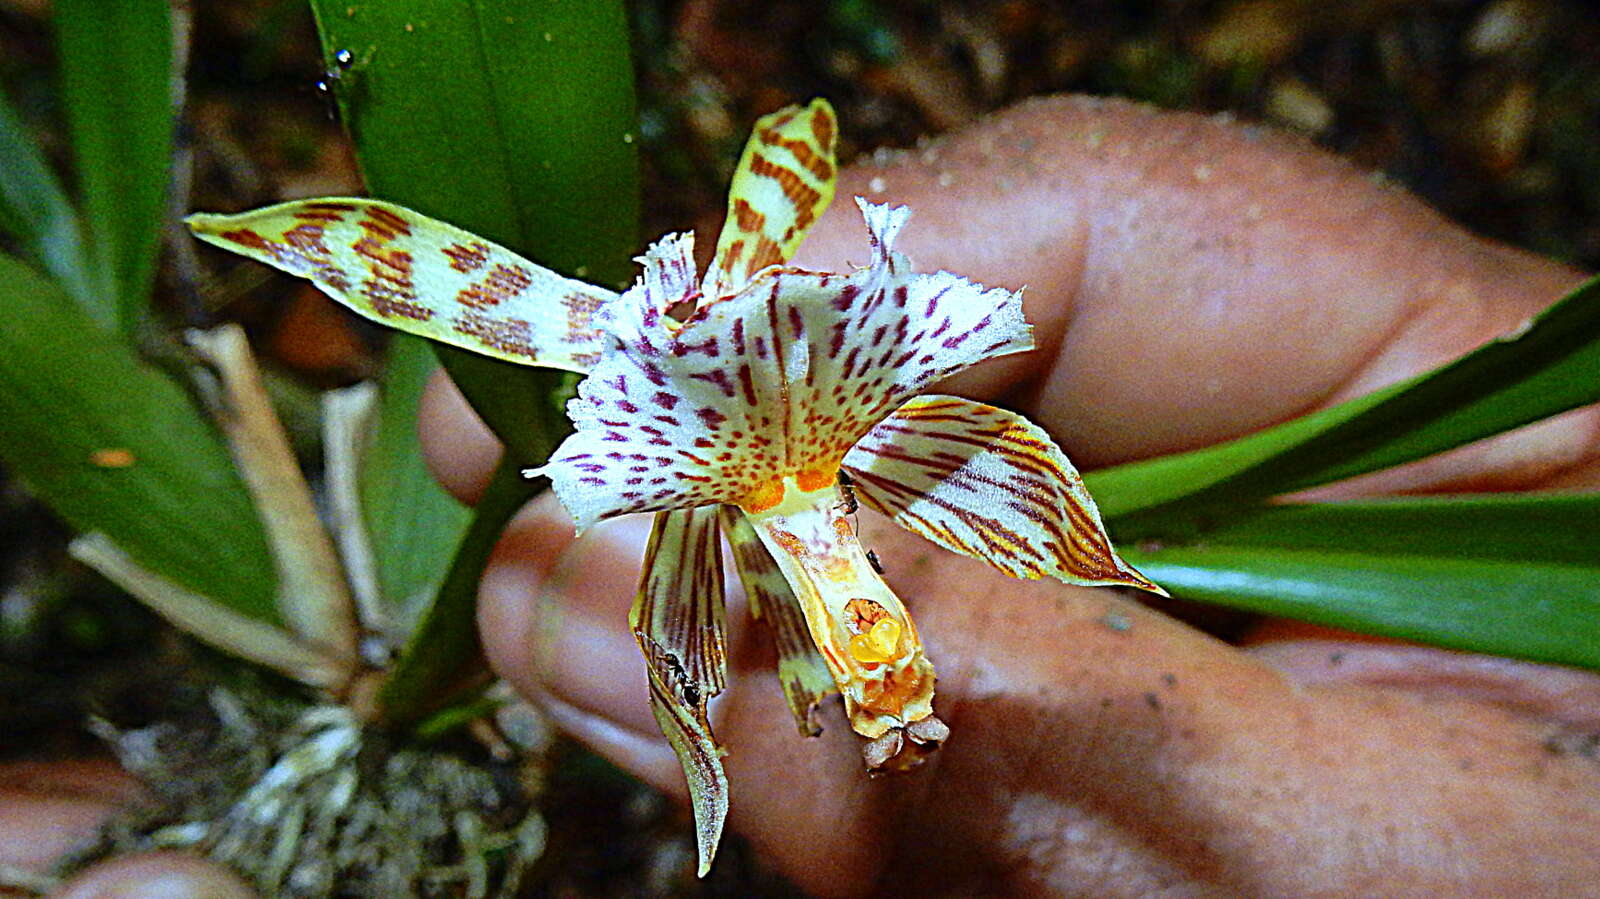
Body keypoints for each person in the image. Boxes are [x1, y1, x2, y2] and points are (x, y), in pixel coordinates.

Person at [7, 95, 1598, 897]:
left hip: (791, 463)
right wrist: (721, 732)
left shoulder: (860, 476)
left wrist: (725, 740)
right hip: (742, 446)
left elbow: (1047, 531)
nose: (882, 630)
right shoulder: (720, 473)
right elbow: (719, 655)